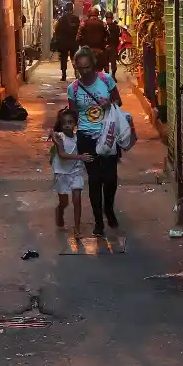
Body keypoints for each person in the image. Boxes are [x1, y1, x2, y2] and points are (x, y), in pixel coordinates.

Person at [68, 47, 121, 235]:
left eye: (88, 67)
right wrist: (60, 132)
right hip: (86, 138)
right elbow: (72, 116)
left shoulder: (106, 80)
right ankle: (99, 220)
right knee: (95, 179)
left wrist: (110, 104)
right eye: (80, 68)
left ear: (94, 65)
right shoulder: (73, 88)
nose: (84, 72)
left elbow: (118, 101)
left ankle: (109, 209)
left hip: (107, 136)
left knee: (110, 178)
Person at [50, 109, 92, 237]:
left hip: (76, 171)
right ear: (61, 124)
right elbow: (62, 155)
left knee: (77, 200)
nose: (67, 125)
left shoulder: (78, 137)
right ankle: (60, 210)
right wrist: (80, 157)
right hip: (62, 173)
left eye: (70, 122)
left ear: (75, 124)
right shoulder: (59, 137)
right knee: (64, 202)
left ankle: (77, 227)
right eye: (64, 122)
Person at [53, 4, 80, 82]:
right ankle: (76, 72)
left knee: (63, 58)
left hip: (63, 42)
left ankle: (64, 74)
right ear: (72, 9)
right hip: (73, 42)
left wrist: (59, 38)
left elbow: (56, 30)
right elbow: (79, 30)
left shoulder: (61, 19)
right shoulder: (76, 19)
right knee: (74, 58)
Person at [104, 12, 122, 77]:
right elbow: (119, 36)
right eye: (108, 19)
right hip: (112, 46)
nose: (108, 20)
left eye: (109, 19)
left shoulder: (105, 26)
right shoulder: (116, 27)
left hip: (109, 46)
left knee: (110, 63)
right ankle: (110, 76)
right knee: (111, 62)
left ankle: (111, 76)